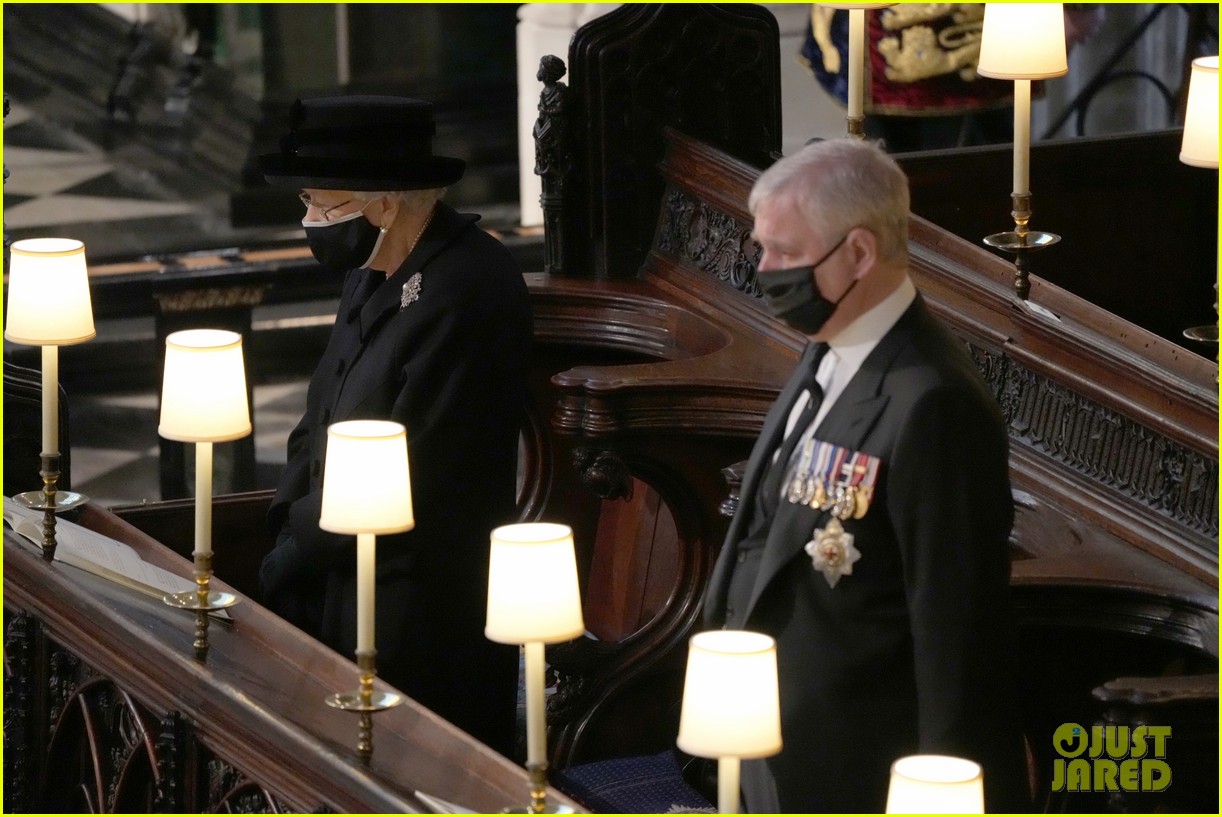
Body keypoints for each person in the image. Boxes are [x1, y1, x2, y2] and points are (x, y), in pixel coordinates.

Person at [702, 139, 1028, 813]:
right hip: (773, 748)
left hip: (862, 771)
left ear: (858, 253)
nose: (765, 270)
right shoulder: (831, 348)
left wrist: (944, 786)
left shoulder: (933, 401)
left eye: (785, 253)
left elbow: (955, 633)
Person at [255, 95, 531, 758]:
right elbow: (320, 411)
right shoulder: (375, 267)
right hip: (338, 567)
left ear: (381, 203)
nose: (309, 220)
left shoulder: (469, 285)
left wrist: (298, 547)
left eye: (320, 204)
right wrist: (285, 522)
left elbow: (421, 461)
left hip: (417, 602)